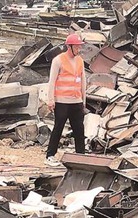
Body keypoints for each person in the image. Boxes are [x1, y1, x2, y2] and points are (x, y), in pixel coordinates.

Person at [45, 33, 87, 167]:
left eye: (80, 47)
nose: (79, 49)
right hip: (62, 102)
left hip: (76, 101)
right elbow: (52, 82)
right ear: (69, 47)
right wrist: (50, 100)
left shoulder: (80, 60)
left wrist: (83, 101)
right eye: (77, 47)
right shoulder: (58, 60)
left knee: (79, 130)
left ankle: (80, 155)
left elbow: (83, 82)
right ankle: (50, 155)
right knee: (58, 128)